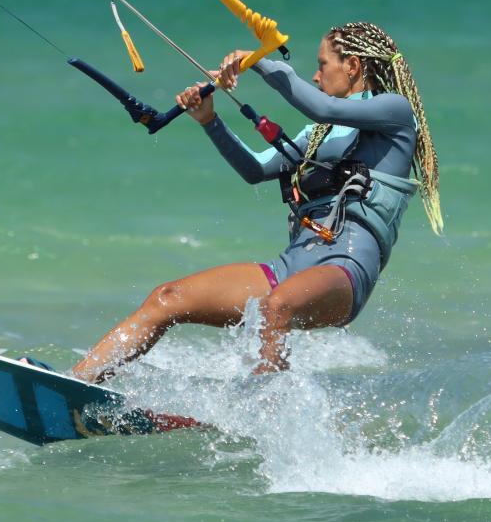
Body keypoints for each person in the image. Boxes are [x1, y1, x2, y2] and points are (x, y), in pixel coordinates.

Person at [72, 21, 442, 381]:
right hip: (292, 264)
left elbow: (324, 107)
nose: (316, 77)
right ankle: (74, 383)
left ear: (353, 66)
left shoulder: (394, 111)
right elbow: (256, 169)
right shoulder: (318, 134)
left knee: (276, 307)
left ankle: (265, 411)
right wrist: (209, 120)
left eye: (322, 64)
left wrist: (262, 62)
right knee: (167, 298)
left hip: (345, 266)